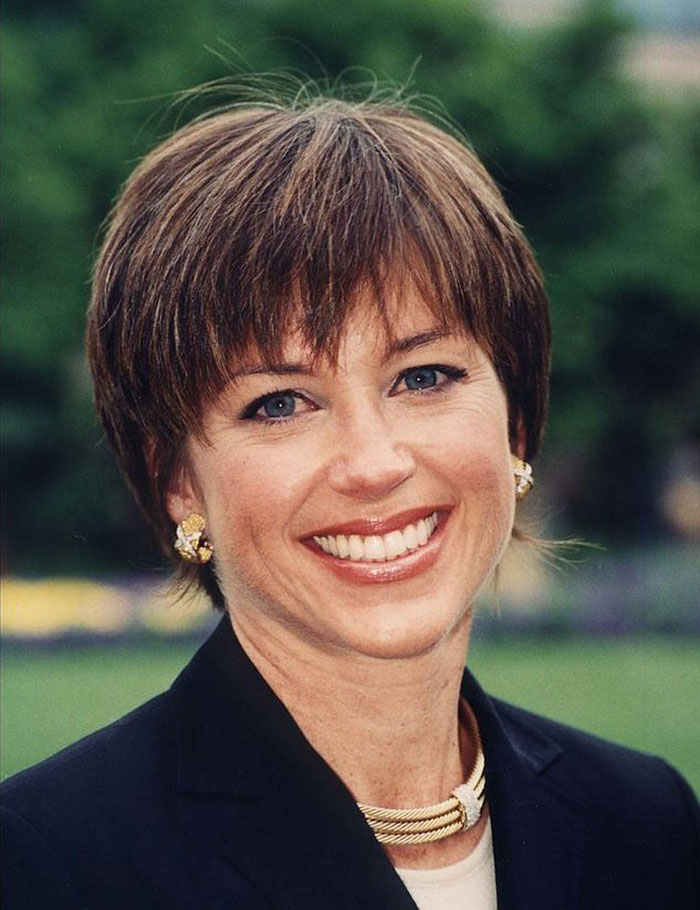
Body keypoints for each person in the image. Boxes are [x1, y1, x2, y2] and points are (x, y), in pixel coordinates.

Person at [2, 95, 698, 910]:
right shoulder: (45, 864)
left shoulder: (648, 823)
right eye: (279, 403)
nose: (373, 464)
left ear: (515, 419)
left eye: (425, 376)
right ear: (178, 480)